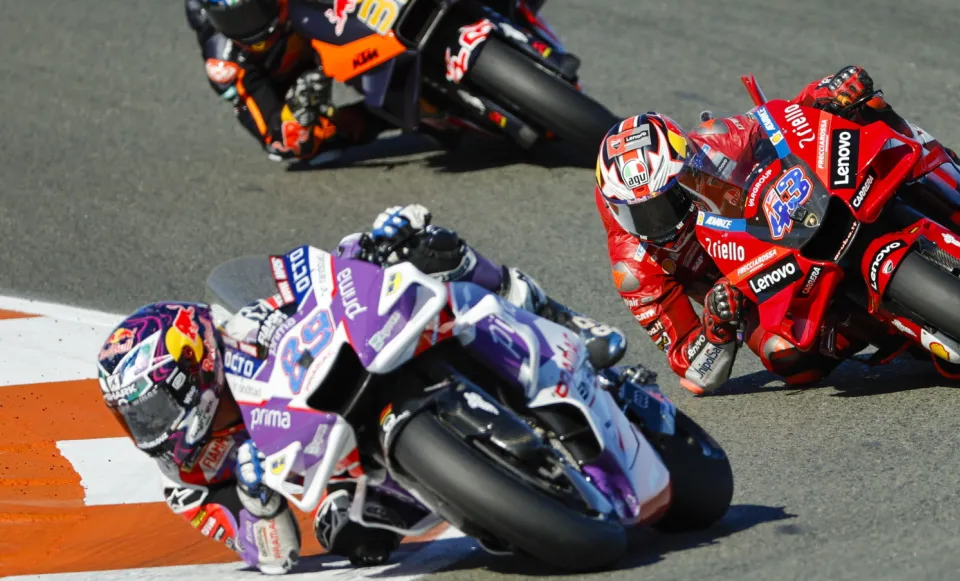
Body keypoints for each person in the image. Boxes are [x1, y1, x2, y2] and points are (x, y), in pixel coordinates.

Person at [96, 204, 624, 574]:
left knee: (426, 250)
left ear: (195, 368)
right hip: (338, 470)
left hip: (354, 362)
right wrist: (256, 502)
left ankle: (565, 320)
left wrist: (369, 246)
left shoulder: (239, 325)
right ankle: (487, 498)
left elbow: (312, 274)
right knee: (347, 534)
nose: (149, 429)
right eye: (134, 418)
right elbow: (273, 556)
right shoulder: (191, 479)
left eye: (154, 407)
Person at [593, 65, 960, 396]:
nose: (659, 221)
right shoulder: (634, 268)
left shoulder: (714, 142)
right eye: (640, 213)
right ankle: (896, 323)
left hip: (793, 221)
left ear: (687, 166)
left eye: (666, 200)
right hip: (756, 293)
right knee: (789, 359)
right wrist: (717, 327)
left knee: (860, 106)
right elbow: (691, 369)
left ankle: (957, 172)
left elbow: (779, 123)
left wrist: (823, 95)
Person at [185, 0, 394, 163]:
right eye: (232, 20)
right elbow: (275, 137)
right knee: (292, 145)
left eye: (255, 10)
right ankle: (381, 116)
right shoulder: (225, 61)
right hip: (285, 67)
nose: (248, 27)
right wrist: (298, 111)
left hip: (314, 13)